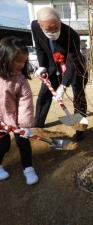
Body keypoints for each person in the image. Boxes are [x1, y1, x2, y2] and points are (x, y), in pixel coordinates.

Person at [31, 7, 88, 141]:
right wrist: (42, 66)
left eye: (55, 28)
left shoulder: (71, 34)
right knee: (44, 95)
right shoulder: (35, 27)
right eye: (48, 30)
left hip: (75, 67)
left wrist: (63, 86)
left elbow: (72, 62)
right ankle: (37, 127)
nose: (52, 32)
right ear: (40, 24)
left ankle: (80, 130)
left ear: (59, 21)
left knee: (78, 96)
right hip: (52, 67)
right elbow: (39, 48)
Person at [0, 37, 39, 185]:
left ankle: (28, 168)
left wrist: (24, 125)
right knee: (3, 145)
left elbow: (25, 103)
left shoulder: (21, 80)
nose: (22, 65)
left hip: (16, 119)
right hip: (0, 121)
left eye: (24, 61)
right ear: (4, 58)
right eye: (18, 61)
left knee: (23, 142)